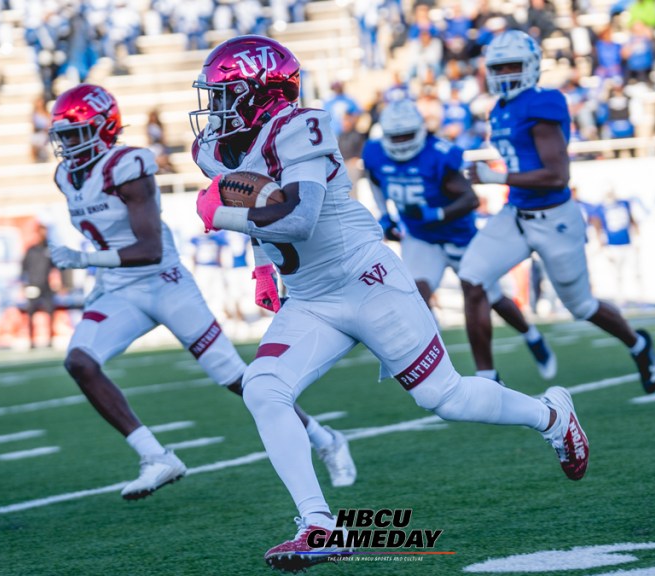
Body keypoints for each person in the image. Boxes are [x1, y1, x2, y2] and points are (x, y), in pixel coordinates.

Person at [190, 35, 589, 572]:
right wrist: (262, 265)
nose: (213, 106)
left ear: (260, 93)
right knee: (263, 390)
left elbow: (299, 217)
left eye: (224, 93)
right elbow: (262, 202)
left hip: (365, 278)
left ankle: (551, 415)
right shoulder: (215, 147)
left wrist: (221, 216)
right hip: (310, 297)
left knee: (445, 398)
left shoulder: (300, 125)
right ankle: (319, 525)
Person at [46, 84, 357, 501]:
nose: (66, 144)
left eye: (74, 133)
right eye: (62, 135)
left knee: (237, 380)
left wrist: (86, 261)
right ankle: (156, 457)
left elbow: (149, 249)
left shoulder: (128, 164)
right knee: (80, 362)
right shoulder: (65, 175)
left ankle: (325, 438)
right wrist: (97, 277)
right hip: (118, 290)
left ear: (104, 128)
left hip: (164, 284)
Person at [462, 30, 655, 395]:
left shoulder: (543, 103)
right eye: (498, 66)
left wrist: (497, 175)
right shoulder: (500, 108)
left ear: (532, 67)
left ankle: (637, 344)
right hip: (518, 214)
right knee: (472, 277)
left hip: (555, 218)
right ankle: (487, 379)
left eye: (513, 66)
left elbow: (557, 176)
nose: (505, 73)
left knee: (582, 306)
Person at [363, 98, 556, 381]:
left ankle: (531, 335)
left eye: (407, 135)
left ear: (420, 131)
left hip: (460, 238)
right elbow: (375, 180)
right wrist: (385, 215)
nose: (402, 142)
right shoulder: (375, 153)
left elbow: (470, 198)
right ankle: (435, 367)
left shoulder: (440, 154)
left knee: (493, 299)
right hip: (421, 238)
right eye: (396, 137)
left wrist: (436, 212)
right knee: (417, 295)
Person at [21, 224, 57, 349]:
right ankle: (31, 341)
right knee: (31, 313)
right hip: (33, 286)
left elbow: (57, 267)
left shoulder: (50, 250)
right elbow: (23, 268)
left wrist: (59, 282)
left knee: (50, 312)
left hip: (46, 286)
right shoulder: (31, 250)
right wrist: (24, 285)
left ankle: (50, 339)